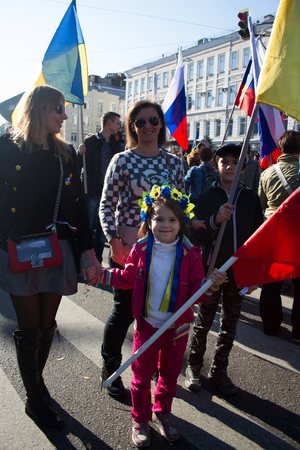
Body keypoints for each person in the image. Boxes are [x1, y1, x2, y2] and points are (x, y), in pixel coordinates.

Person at [88, 185, 226, 447]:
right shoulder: (140, 250)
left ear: (181, 221)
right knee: (141, 378)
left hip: (178, 330)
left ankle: (163, 412)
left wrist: (213, 283)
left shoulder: (191, 254)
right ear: (148, 220)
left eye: (172, 219)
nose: (165, 225)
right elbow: (127, 278)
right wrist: (102, 274)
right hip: (148, 327)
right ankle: (140, 418)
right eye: (159, 218)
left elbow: (198, 293)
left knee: (170, 376)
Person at [0, 85, 99, 429]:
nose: (65, 115)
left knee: (46, 325)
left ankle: (37, 382)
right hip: (19, 250)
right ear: (40, 108)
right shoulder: (6, 146)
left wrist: (88, 251)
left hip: (57, 249)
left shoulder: (66, 152)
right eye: (58, 108)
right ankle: (33, 397)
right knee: (28, 327)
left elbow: (78, 206)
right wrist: (5, 235)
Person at [99, 100, 204, 399]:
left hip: (167, 252)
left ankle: (155, 369)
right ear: (132, 126)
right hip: (130, 248)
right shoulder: (122, 160)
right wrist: (114, 241)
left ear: (161, 124)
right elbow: (107, 205)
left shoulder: (174, 162)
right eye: (141, 122)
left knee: (161, 309)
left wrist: (205, 220)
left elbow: (182, 207)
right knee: (125, 312)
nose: (148, 127)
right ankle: (112, 368)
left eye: (154, 121)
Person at [185, 143, 263, 395]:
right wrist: (214, 220)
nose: (230, 166)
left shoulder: (250, 198)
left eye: (235, 162)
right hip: (213, 270)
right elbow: (196, 237)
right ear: (216, 165)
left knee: (230, 323)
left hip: (238, 273)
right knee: (204, 320)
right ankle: (194, 366)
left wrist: (254, 276)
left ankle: (219, 370)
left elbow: (257, 239)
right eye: (224, 162)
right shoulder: (207, 197)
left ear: (245, 166)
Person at [259, 130, 300, 341]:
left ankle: (270, 324)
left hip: (273, 230)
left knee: (271, 280)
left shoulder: (267, 172)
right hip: (297, 232)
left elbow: (262, 203)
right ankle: (299, 330)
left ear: (281, 148)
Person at [77, 111, 122, 263]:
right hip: (93, 191)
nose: (119, 127)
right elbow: (79, 165)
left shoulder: (115, 145)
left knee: (104, 228)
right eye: (117, 123)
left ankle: (96, 261)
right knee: (88, 225)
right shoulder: (90, 142)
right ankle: (84, 259)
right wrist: (79, 153)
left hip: (109, 192)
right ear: (109, 122)